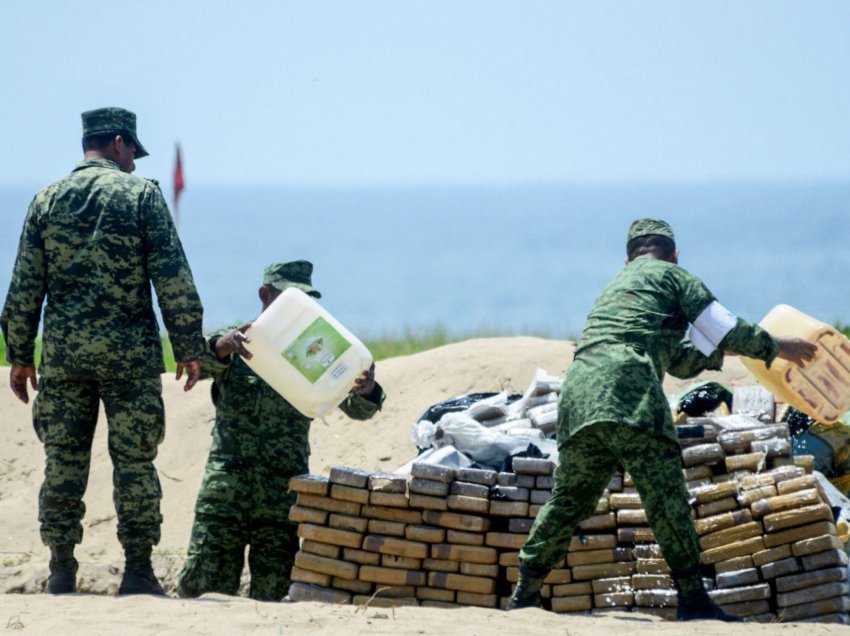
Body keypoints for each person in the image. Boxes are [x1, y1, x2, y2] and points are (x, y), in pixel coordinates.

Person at [506, 219, 817, 620]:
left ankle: (525, 592)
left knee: (569, 499)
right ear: (674, 256)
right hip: (629, 391)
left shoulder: (617, 289)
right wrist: (776, 347)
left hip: (579, 394)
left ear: (629, 257)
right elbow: (723, 328)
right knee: (665, 496)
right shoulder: (674, 277)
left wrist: (728, 354)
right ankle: (692, 599)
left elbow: (682, 360)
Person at [0, 107, 206, 596]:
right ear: (118, 142)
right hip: (129, 359)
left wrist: (20, 355)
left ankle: (60, 570)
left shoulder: (46, 200)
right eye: (133, 150)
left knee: (63, 463)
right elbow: (172, 277)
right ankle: (137, 571)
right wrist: (188, 346)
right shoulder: (142, 196)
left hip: (65, 360)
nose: (134, 161)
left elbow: (25, 286)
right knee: (135, 463)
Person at [176, 260, 385, 602]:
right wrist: (222, 346)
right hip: (226, 490)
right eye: (290, 297)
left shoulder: (317, 349)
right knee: (204, 591)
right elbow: (194, 361)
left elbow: (356, 408)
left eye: (305, 299)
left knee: (273, 601)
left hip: (281, 495)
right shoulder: (240, 339)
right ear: (265, 294)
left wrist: (365, 389)